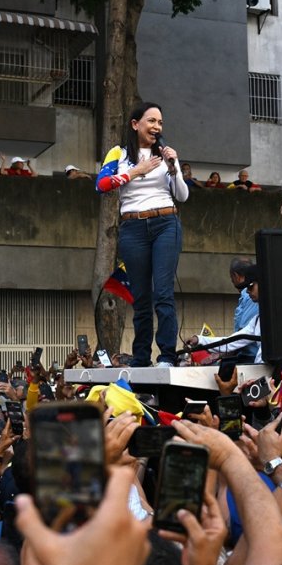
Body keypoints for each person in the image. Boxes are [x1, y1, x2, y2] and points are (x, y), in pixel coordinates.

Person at [95, 102, 190, 367]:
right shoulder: (120, 153)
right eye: (151, 121)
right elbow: (101, 185)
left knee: (163, 292)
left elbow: (182, 195)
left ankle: (167, 356)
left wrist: (173, 167)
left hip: (165, 223)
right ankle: (140, 356)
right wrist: (136, 171)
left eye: (160, 122)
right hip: (133, 228)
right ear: (135, 124)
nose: (156, 127)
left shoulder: (166, 155)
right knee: (140, 297)